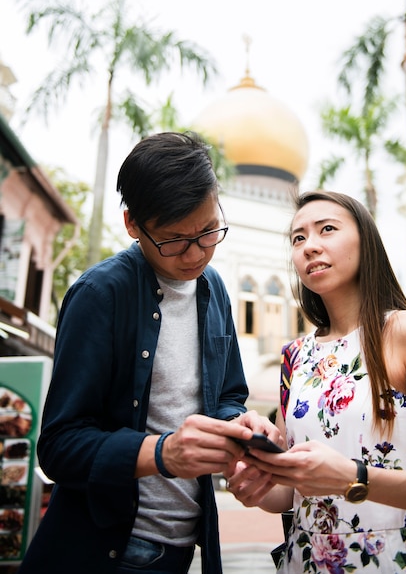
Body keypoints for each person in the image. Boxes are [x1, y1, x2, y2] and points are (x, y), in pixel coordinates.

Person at [19, 132, 279, 574]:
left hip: (184, 552)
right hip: (107, 553)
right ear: (133, 225)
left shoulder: (213, 289)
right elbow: (59, 448)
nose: (197, 253)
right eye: (175, 239)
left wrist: (241, 423)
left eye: (209, 230)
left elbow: (228, 394)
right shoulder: (100, 295)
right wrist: (161, 453)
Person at [225, 190, 406, 573]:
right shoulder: (294, 356)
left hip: (387, 558)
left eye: (327, 229)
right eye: (299, 238)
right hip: (302, 559)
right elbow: (288, 495)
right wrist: (252, 478)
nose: (310, 246)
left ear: (365, 241)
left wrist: (353, 477)